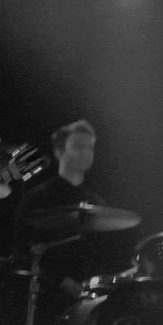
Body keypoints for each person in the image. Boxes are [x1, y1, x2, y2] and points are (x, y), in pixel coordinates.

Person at [14, 119, 105, 298]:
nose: (86, 152)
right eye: (78, 147)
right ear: (59, 152)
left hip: (90, 293)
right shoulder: (37, 198)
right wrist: (64, 282)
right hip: (46, 295)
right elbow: (22, 252)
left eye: (90, 148)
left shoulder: (97, 202)